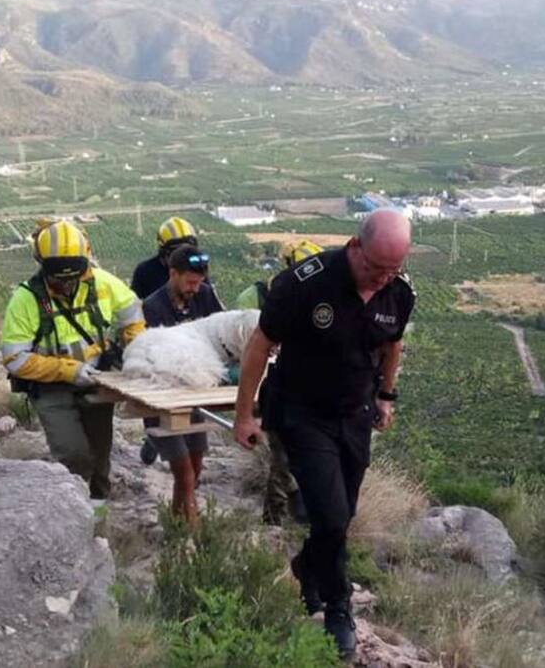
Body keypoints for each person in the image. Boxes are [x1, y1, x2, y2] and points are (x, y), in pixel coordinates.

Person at [232, 209, 415, 659]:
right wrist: (243, 415)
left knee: (342, 513)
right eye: (374, 268)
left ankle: (306, 566)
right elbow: (259, 345)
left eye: (391, 270)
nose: (381, 278)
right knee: (330, 517)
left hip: (354, 414)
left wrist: (387, 397)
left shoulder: (399, 292)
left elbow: (393, 345)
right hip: (301, 412)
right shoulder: (303, 284)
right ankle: (338, 607)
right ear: (355, 246)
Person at [0, 219, 145, 499]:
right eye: (58, 277)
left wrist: (135, 348)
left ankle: (99, 517)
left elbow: (133, 314)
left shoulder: (102, 283)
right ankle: (74, 509)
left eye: (73, 276)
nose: (66, 284)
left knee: (100, 457)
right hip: (52, 388)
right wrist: (67, 370)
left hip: (95, 381)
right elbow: (15, 359)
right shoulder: (26, 299)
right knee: (73, 455)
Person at [234, 238, 324, 525]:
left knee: (303, 461)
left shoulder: (319, 299)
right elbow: (247, 344)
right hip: (278, 388)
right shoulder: (262, 298)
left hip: (308, 391)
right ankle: (274, 522)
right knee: (283, 461)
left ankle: (299, 518)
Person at [141, 245, 225, 524]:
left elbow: (220, 328)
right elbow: (158, 355)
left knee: (196, 464)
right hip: (162, 399)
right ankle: (191, 525)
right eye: (190, 282)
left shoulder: (205, 295)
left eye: (199, 282)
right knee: (184, 472)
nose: (195, 288)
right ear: (172, 273)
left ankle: (178, 521)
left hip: (195, 394)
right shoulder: (152, 307)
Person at [131, 216, 210, 465]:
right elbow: (135, 312)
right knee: (159, 406)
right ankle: (155, 437)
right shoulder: (146, 273)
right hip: (157, 342)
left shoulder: (197, 276)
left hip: (190, 346)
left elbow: (209, 309)